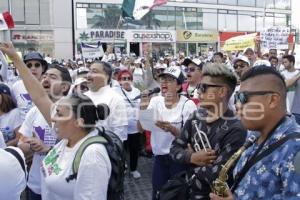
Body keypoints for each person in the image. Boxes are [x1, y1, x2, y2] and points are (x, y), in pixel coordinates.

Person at [0, 42, 111, 200]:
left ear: (78, 121)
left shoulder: (92, 157)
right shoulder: (67, 139)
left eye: (58, 114)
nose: (52, 118)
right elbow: (39, 96)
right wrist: (15, 58)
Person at [210, 66, 300, 200]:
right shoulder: (253, 136)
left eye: (243, 97)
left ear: (272, 100)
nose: (237, 105)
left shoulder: (296, 149)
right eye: (236, 97)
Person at [170, 63, 247, 199]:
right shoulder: (196, 116)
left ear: (222, 92)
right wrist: (192, 157)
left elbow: (217, 175)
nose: (199, 91)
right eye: (199, 86)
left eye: (204, 87)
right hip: (186, 193)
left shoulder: (236, 129)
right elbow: (174, 148)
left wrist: (187, 160)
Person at [139, 66, 197, 200]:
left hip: (180, 159)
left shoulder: (188, 105)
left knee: (178, 194)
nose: (164, 83)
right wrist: (143, 109)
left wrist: (172, 129)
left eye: (170, 80)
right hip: (159, 159)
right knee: (159, 194)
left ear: (178, 87)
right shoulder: (155, 101)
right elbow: (141, 128)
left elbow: (192, 138)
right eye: (163, 79)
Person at [85, 61, 128, 141]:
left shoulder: (116, 99)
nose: (88, 75)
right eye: (89, 71)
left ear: (106, 77)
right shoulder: (83, 96)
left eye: (94, 71)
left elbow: (120, 135)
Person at [116, 69, 142, 179]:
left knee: (134, 150)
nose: (126, 81)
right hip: (121, 127)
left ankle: (134, 169)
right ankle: (123, 167)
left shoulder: (137, 91)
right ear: (119, 81)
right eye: (123, 79)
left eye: (129, 78)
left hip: (135, 127)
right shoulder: (115, 92)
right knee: (121, 150)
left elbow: (142, 107)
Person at [11, 52, 48, 121]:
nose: (33, 68)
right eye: (29, 65)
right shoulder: (16, 87)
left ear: (43, 68)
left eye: (37, 65)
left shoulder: (48, 86)